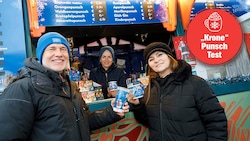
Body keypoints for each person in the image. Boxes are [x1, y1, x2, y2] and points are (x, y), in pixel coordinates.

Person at [0, 32, 130, 141]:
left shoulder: (71, 87)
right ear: (40, 55)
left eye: (63, 49)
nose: (58, 54)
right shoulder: (22, 89)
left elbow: (86, 121)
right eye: (51, 49)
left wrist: (113, 112)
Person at [127, 42, 228, 141]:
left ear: (170, 57)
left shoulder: (195, 83)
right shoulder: (150, 89)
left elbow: (216, 121)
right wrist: (137, 106)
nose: (156, 60)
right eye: (151, 59)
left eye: (160, 55)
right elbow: (150, 121)